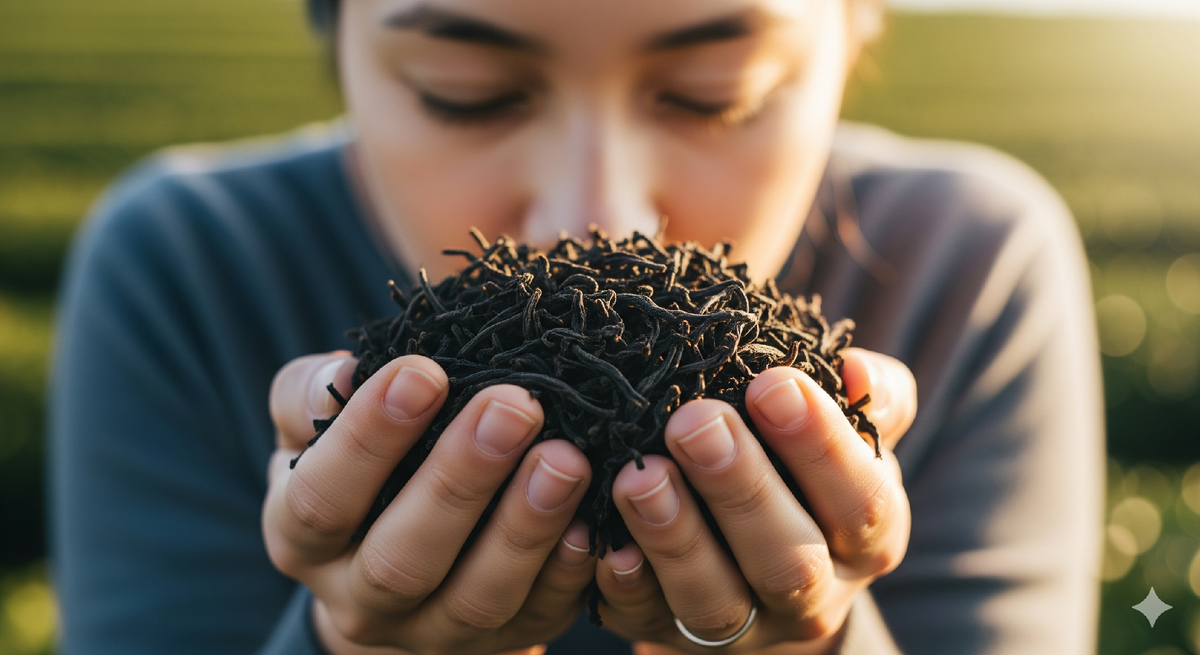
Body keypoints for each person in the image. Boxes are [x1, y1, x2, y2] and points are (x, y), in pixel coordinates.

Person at [48, 0, 1104, 653]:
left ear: (854, 31)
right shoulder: (187, 265)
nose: (595, 218)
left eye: (716, 93)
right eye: (466, 93)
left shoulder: (969, 267)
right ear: (340, 44)